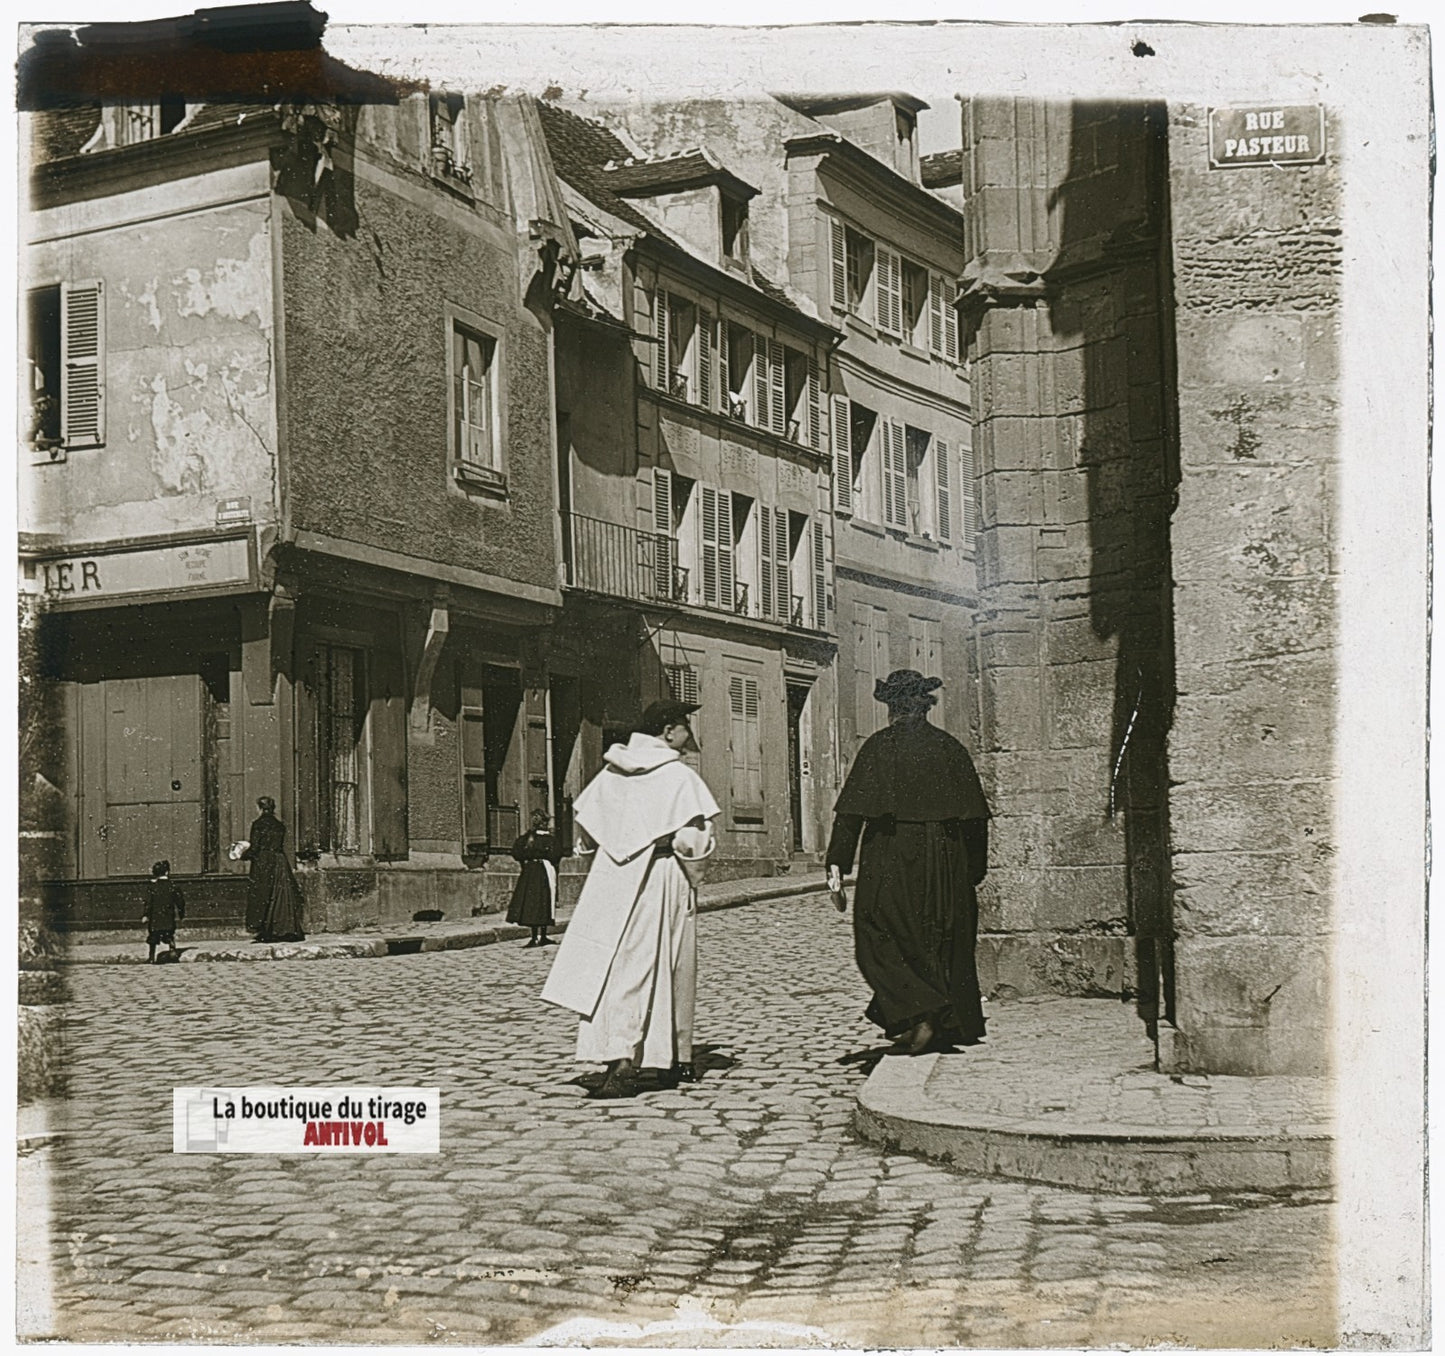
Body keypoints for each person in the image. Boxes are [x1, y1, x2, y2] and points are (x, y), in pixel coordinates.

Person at [541, 698, 720, 1099]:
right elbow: (692, 841)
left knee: (615, 967)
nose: (688, 735)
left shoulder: (611, 773)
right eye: (684, 727)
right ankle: (659, 1058)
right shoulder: (678, 777)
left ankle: (621, 1053)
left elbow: (586, 836)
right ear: (668, 731)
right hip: (661, 874)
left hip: (612, 878)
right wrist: (694, 863)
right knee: (667, 963)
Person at [826, 669, 991, 1056]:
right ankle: (942, 1020)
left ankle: (923, 1013)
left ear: (892, 707)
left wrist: (837, 862)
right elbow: (975, 820)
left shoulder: (880, 747)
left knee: (878, 933)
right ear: (924, 705)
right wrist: (973, 869)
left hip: (892, 851)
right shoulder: (950, 748)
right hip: (947, 855)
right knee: (942, 936)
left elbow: (851, 815)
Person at [241, 796, 306, 943]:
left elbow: (255, 847)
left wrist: (242, 854)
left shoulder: (258, 824)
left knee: (262, 893)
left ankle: (265, 930)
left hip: (263, 862)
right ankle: (282, 929)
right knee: (280, 894)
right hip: (279, 860)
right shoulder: (279, 825)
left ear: (259, 808)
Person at [509, 809, 562, 948]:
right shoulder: (549, 839)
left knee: (533, 902)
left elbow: (516, 852)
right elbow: (556, 855)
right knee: (544, 900)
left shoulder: (528, 838)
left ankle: (536, 937)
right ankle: (542, 936)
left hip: (530, 871)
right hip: (544, 870)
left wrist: (527, 858)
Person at [141, 859, 185, 963]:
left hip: (155, 918)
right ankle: (173, 951)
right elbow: (180, 902)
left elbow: (149, 903)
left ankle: (151, 957)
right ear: (167, 872)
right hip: (168, 917)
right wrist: (181, 913)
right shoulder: (173, 886)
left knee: (153, 938)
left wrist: (146, 915)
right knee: (169, 936)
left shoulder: (152, 887)